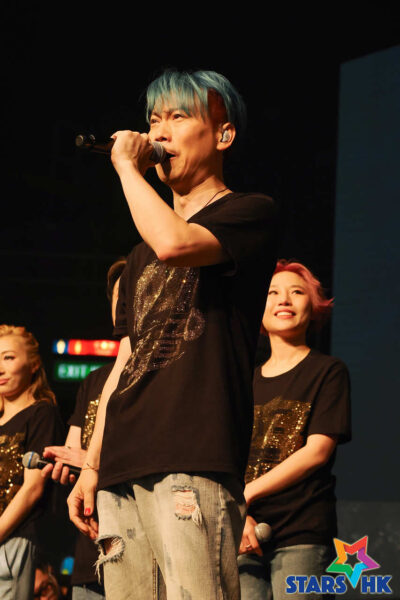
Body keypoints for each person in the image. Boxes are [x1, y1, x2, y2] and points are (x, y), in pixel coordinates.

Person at [68, 69, 279, 599]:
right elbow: (125, 361)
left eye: (178, 116)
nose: (159, 132)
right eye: (153, 120)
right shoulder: (138, 255)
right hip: (122, 461)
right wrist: (92, 464)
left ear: (223, 135)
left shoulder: (248, 212)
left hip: (193, 452)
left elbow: (176, 244)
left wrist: (125, 166)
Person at [237, 260, 351, 600]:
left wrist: (246, 495)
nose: (283, 300)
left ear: (313, 307)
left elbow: (317, 451)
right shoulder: (245, 381)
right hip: (245, 532)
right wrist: (239, 513)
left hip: (303, 533)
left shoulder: (328, 371)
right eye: (272, 293)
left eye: (296, 292)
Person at [42, 258, 127, 600]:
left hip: (136, 533)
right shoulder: (94, 381)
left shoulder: (166, 374)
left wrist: (93, 463)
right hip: (91, 537)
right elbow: (71, 450)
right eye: (119, 297)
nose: (124, 305)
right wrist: (69, 464)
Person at [0, 325, 64, 600]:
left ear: (34, 364)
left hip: (13, 540)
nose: (0, 368)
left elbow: (32, 489)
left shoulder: (41, 414)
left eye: (9, 357)